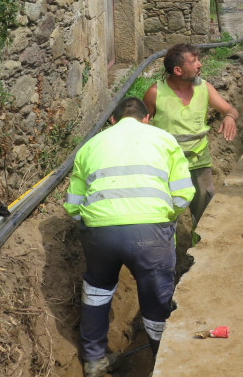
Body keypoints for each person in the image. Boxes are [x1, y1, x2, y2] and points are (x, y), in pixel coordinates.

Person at [63, 97, 194, 377]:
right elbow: (183, 193)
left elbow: (73, 205)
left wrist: (92, 227)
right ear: (147, 119)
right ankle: (162, 359)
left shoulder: (90, 146)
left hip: (100, 232)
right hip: (149, 232)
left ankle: (94, 361)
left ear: (112, 120)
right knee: (156, 296)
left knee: (97, 291)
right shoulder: (164, 139)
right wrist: (164, 222)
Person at [143, 43, 238, 242]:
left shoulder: (205, 88)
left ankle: (200, 247)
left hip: (198, 161)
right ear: (178, 70)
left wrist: (229, 117)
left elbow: (230, 110)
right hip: (167, 165)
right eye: (193, 61)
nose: (200, 64)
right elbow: (140, 126)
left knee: (204, 208)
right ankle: (170, 253)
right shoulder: (155, 93)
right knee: (166, 211)